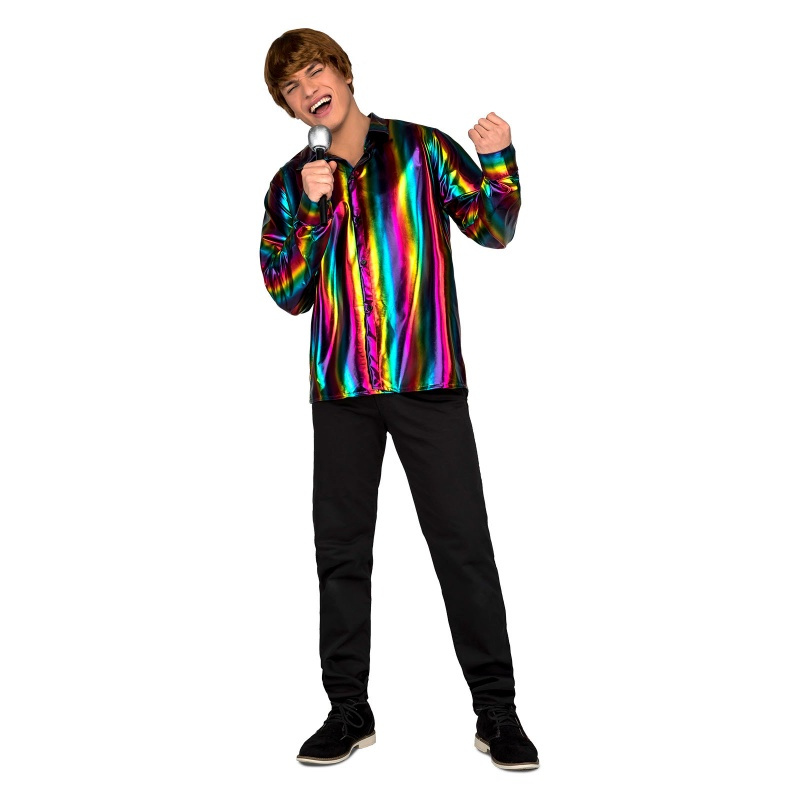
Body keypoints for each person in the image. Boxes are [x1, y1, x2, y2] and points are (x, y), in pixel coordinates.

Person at [260, 28, 539, 771]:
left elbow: (495, 228)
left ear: (343, 73)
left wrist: (498, 158)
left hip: (428, 380)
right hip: (342, 391)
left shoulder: (421, 149)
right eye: (292, 88)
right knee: (341, 555)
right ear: (290, 108)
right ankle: (348, 711)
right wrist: (313, 211)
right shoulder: (291, 183)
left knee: (463, 548)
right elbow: (288, 293)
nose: (308, 90)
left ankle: (497, 712)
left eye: (315, 72)